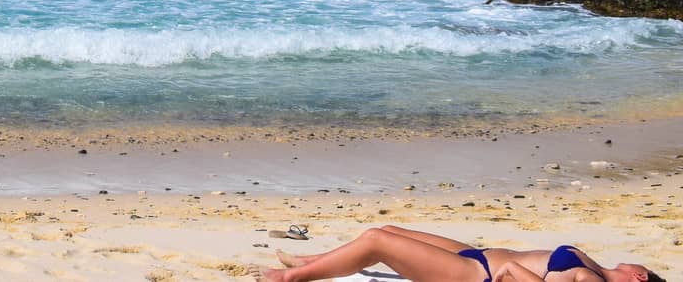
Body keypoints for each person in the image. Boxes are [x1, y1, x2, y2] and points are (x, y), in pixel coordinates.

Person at [259, 225, 667, 282]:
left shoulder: (593, 280)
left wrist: (509, 268)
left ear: (640, 277)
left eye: (640, 266)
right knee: (388, 231)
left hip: (479, 274)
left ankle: (292, 278)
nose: (634, 262)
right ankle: (309, 262)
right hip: (480, 254)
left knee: (375, 242)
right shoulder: (594, 268)